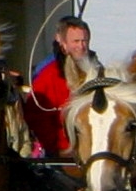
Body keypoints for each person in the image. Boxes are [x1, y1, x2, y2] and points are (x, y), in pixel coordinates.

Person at [23, 16, 93, 161]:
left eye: (84, 41)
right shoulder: (49, 75)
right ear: (63, 43)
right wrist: (58, 148)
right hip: (62, 155)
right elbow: (35, 116)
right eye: (76, 41)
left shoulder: (96, 72)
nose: (81, 46)